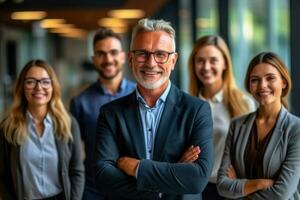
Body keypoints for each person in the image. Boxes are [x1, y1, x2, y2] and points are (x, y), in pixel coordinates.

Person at [94, 18, 214, 199]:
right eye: (142, 53)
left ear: (173, 61)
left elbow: (197, 179)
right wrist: (173, 173)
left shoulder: (197, 110)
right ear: (130, 59)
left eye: (160, 54)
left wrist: (137, 168)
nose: (151, 63)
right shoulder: (110, 113)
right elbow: (104, 178)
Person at [217, 52, 300, 199]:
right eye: (255, 80)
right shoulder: (237, 125)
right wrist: (259, 184)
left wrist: (240, 187)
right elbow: (223, 186)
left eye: (270, 78)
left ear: (284, 82)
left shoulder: (296, 129)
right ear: (249, 86)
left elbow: (281, 195)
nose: (262, 85)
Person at [0, 59, 84, 200]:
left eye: (45, 81)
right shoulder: (8, 128)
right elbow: (3, 176)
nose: (39, 87)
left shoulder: (68, 124)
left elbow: (77, 171)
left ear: (53, 87)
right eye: (30, 82)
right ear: (22, 87)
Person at [70, 28, 136, 199]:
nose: (108, 59)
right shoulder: (79, 102)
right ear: (94, 59)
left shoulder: (140, 96)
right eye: (101, 54)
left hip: (133, 187)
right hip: (94, 190)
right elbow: (73, 153)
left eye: (113, 52)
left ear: (123, 56)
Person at [188, 35, 255, 199]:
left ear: (225, 63)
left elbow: (252, 151)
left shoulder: (244, 103)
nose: (206, 66)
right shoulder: (187, 104)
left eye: (213, 60)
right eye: (200, 61)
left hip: (231, 188)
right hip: (194, 188)